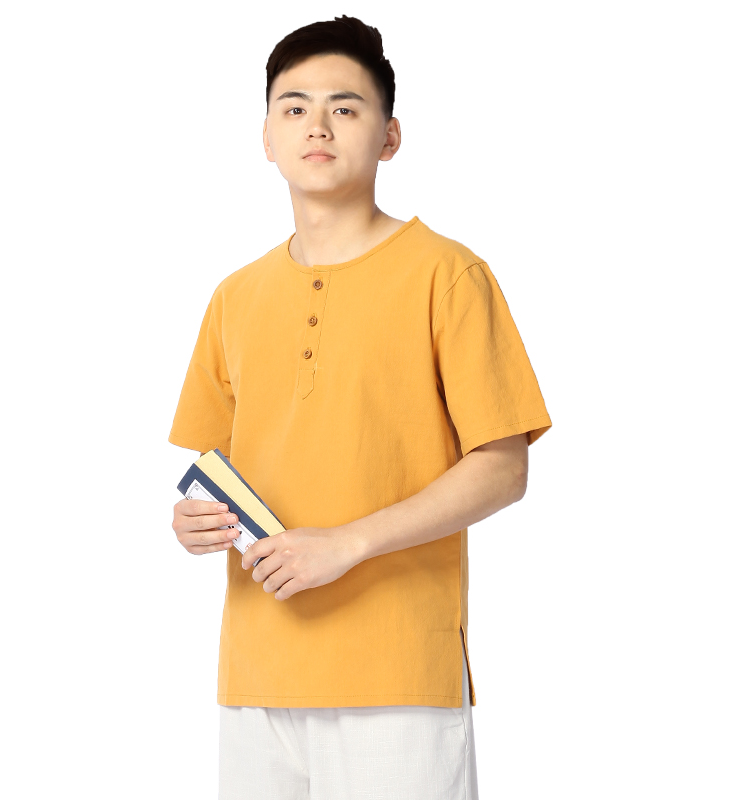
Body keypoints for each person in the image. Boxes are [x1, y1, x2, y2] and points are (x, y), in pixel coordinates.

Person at [169, 15, 551, 800]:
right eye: (294, 106)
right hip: (256, 679)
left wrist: (348, 544)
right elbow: (216, 465)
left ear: (390, 136)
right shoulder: (234, 296)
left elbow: (503, 467)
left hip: (397, 678)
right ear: (266, 137)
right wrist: (192, 524)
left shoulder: (448, 275)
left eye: (345, 107)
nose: (317, 125)